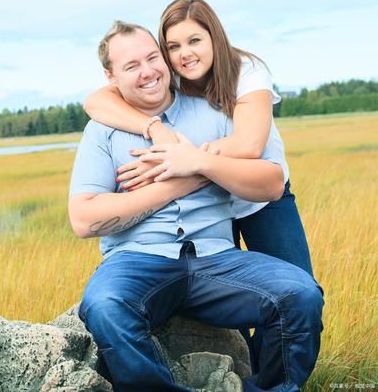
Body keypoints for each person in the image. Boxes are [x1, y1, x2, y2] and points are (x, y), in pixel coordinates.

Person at [69, 21, 323, 391]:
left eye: (153, 58)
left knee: (300, 295)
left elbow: (269, 179)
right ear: (110, 76)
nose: (148, 72)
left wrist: (197, 162)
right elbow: (83, 219)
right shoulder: (102, 130)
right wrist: (177, 182)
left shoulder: (215, 112)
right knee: (105, 305)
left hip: (216, 259)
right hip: (137, 259)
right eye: (131, 66)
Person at [83, 0, 313, 278]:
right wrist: (155, 128)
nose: (185, 54)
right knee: (235, 304)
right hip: (211, 203)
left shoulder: (247, 72)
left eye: (195, 41)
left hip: (258, 199)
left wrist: (177, 160)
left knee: (296, 284)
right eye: (173, 47)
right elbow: (95, 102)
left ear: (214, 37)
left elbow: (248, 145)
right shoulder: (171, 74)